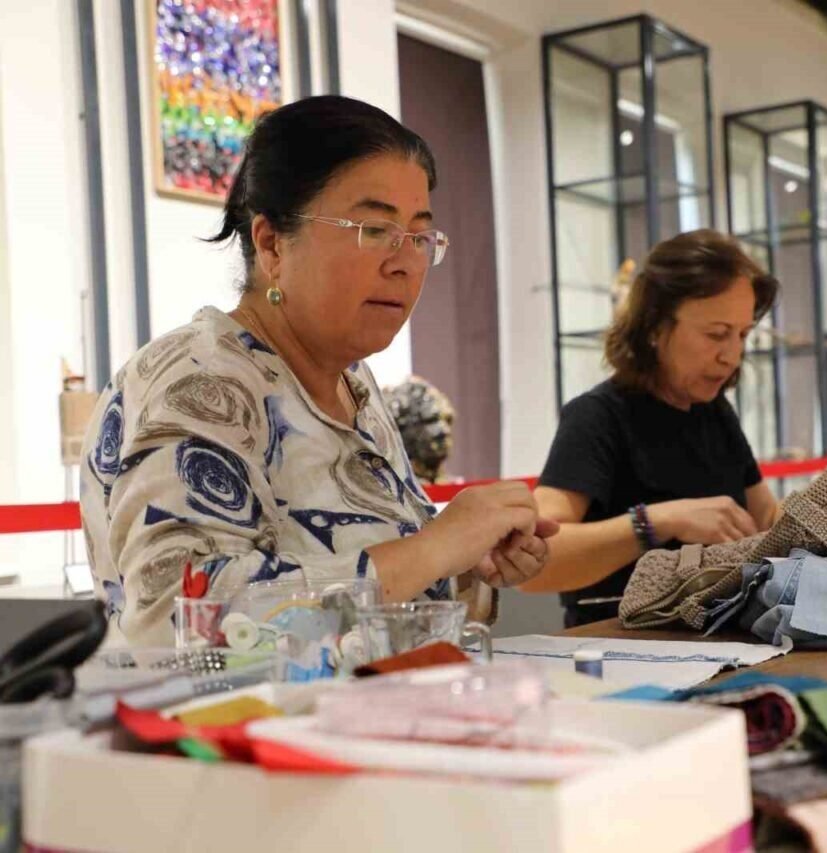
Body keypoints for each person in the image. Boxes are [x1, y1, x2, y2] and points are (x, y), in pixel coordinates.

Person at [80, 96, 557, 646]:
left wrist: (469, 561)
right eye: (374, 229)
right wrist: (436, 548)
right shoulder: (198, 380)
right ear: (271, 244)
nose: (405, 263)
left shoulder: (353, 386)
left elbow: (376, 583)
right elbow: (176, 623)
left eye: (420, 237)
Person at [524, 229, 827, 627]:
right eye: (717, 334)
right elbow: (535, 561)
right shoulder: (596, 418)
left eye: (742, 335)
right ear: (654, 327)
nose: (732, 356)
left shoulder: (714, 413)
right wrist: (654, 522)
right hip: (615, 643)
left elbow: (767, 522)